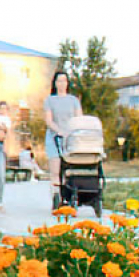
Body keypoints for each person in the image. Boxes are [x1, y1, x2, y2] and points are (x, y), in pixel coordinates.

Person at [44, 69, 81, 211]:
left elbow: (79, 118)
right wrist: (59, 130)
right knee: (56, 168)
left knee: (70, 169)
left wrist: (72, 132)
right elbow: (48, 120)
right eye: (59, 81)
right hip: (55, 137)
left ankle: (69, 195)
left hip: (70, 138)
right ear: (55, 83)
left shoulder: (73, 100)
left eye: (64, 81)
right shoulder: (50, 100)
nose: (62, 83)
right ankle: (56, 195)